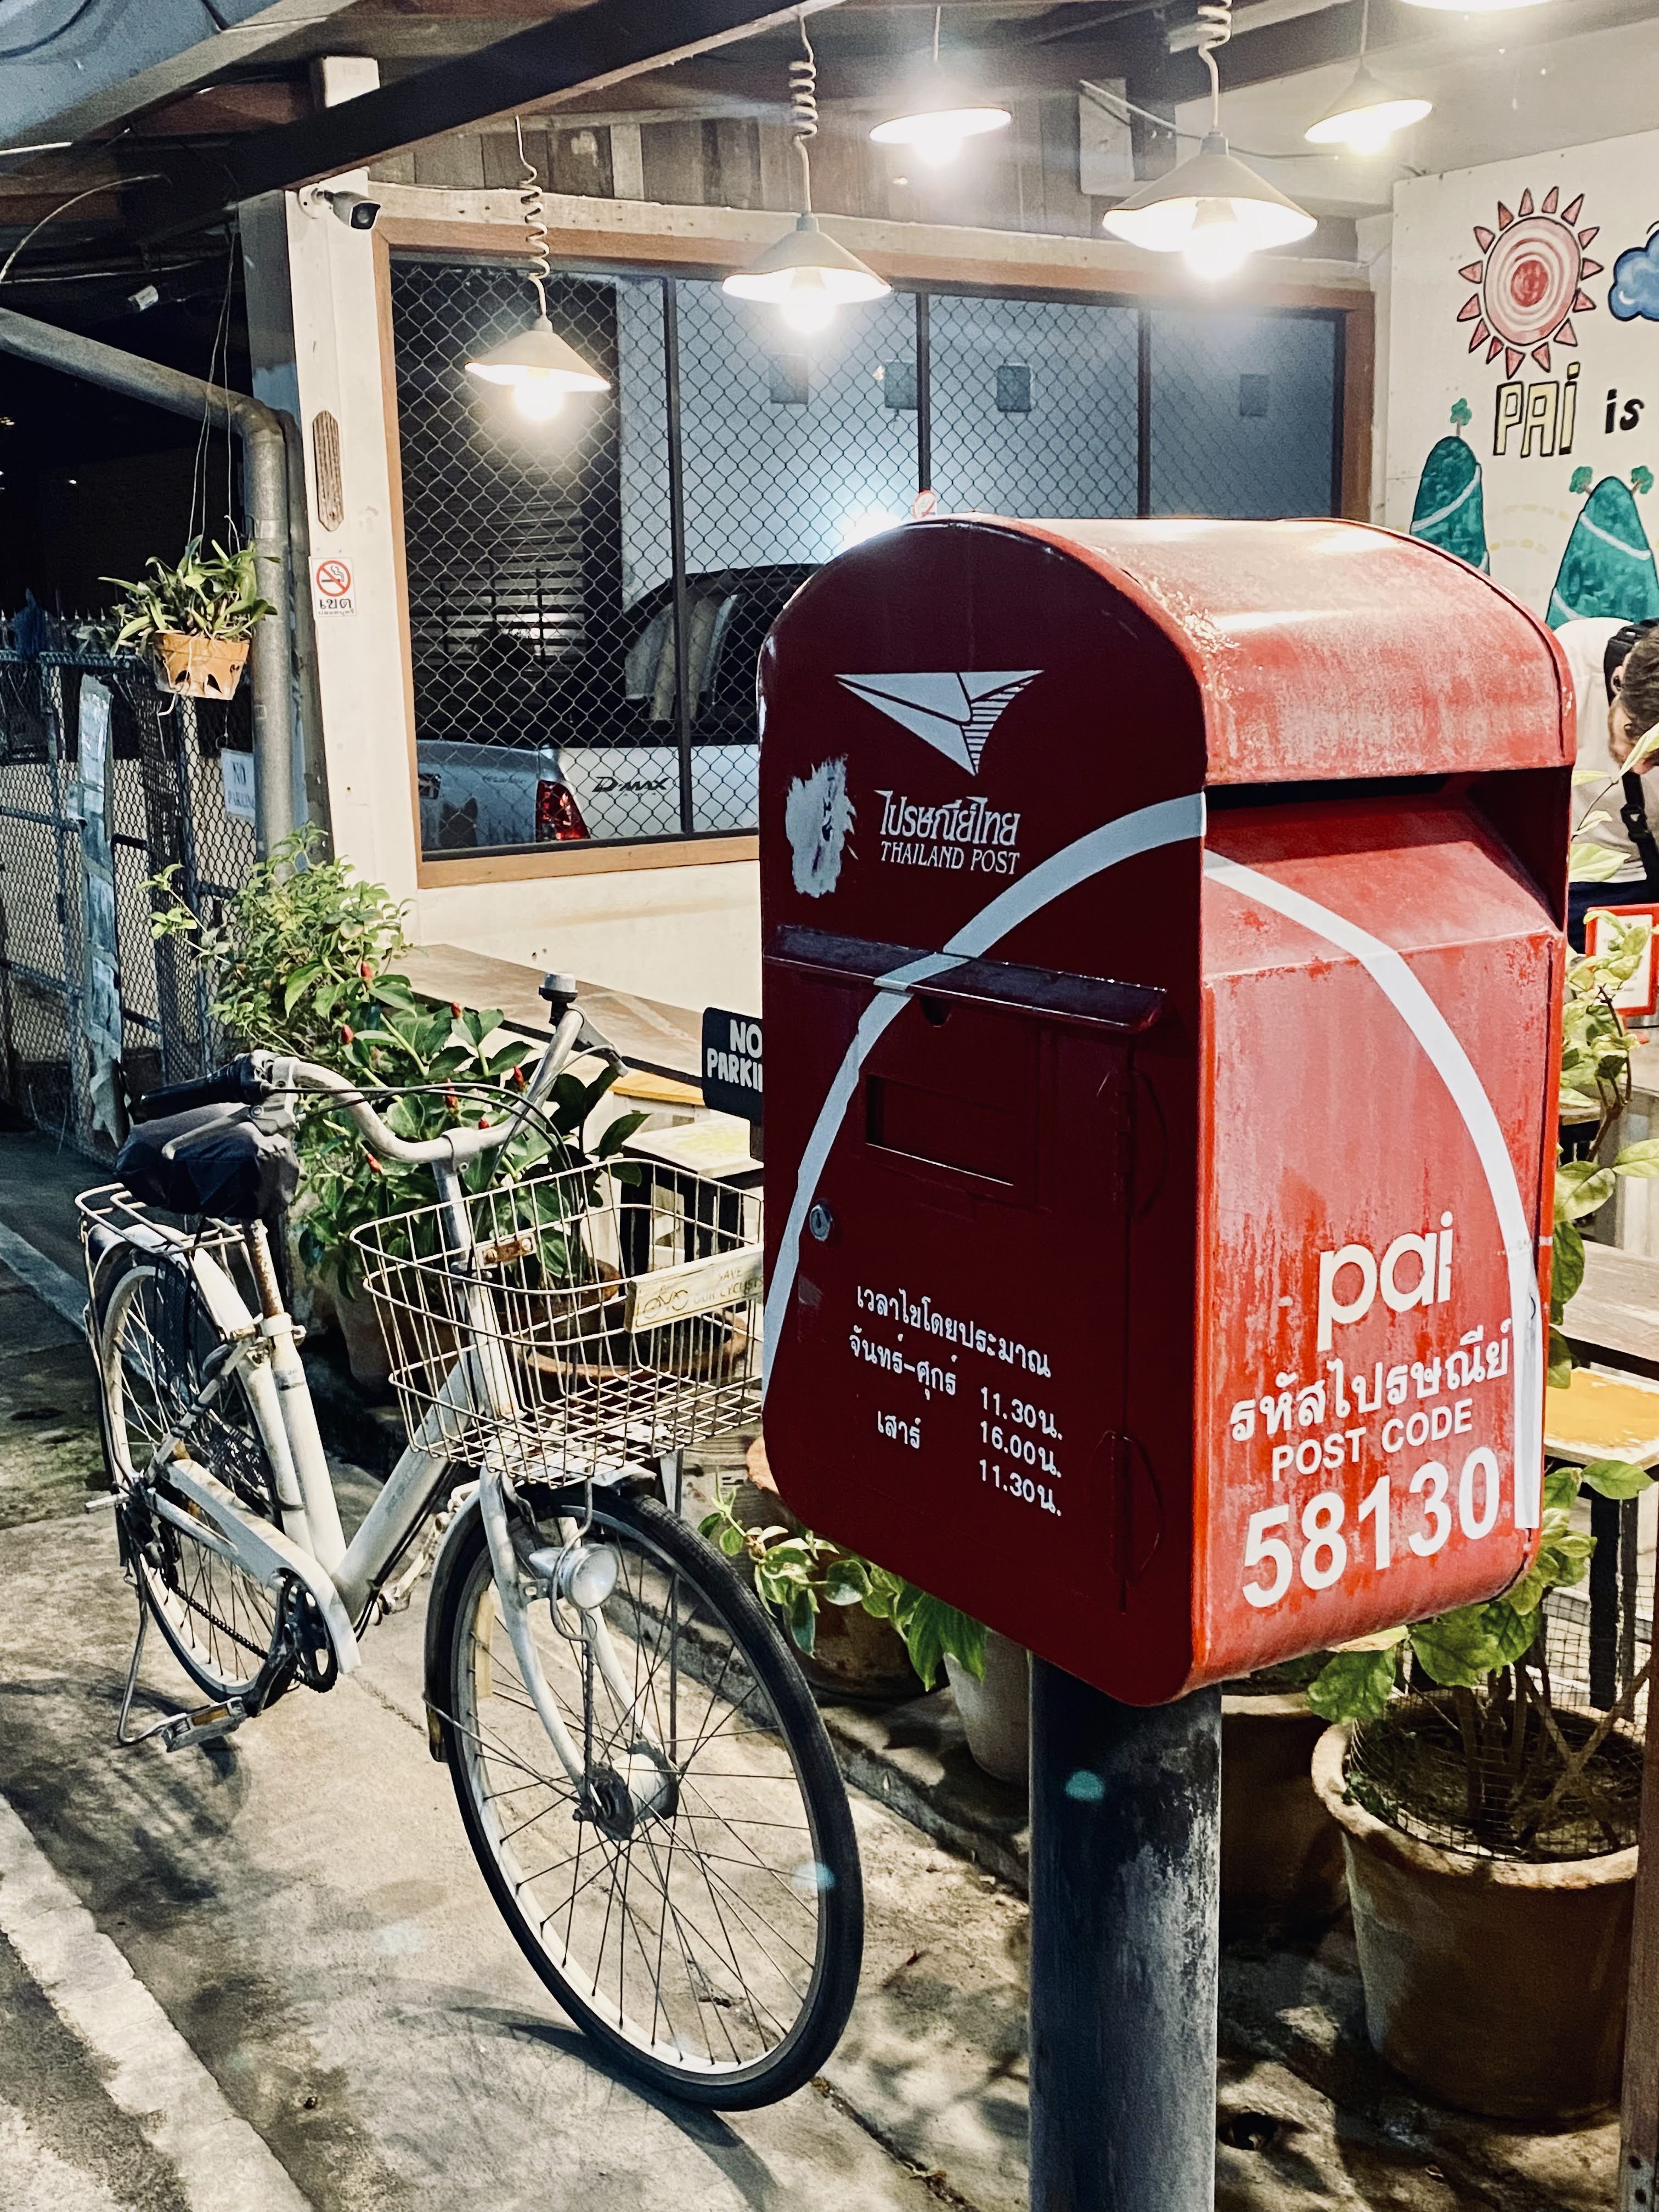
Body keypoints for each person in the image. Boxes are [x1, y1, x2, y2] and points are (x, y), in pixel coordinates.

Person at [1559, 617, 1659, 951]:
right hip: (1571, 877)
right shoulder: (1568, 663)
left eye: (1657, 758)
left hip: (1646, 873)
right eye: (1631, 733)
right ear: (1621, 677)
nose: (1640, 767)